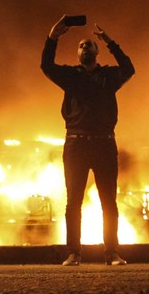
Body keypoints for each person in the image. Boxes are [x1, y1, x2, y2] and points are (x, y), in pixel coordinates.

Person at [40, 15, 135, 266]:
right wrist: (53, 36)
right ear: (77, 53)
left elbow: (129, 69)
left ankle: (112, 253)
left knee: (108, 201)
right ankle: (74, 253)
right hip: (76, 144)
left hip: (104, 143)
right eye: (81, 46)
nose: (85, 48)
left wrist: (110, 42)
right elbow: (47, 66)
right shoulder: (71, 76)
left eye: (89, 45)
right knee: (74, 202)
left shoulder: (109, 76)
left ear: (96, 51)